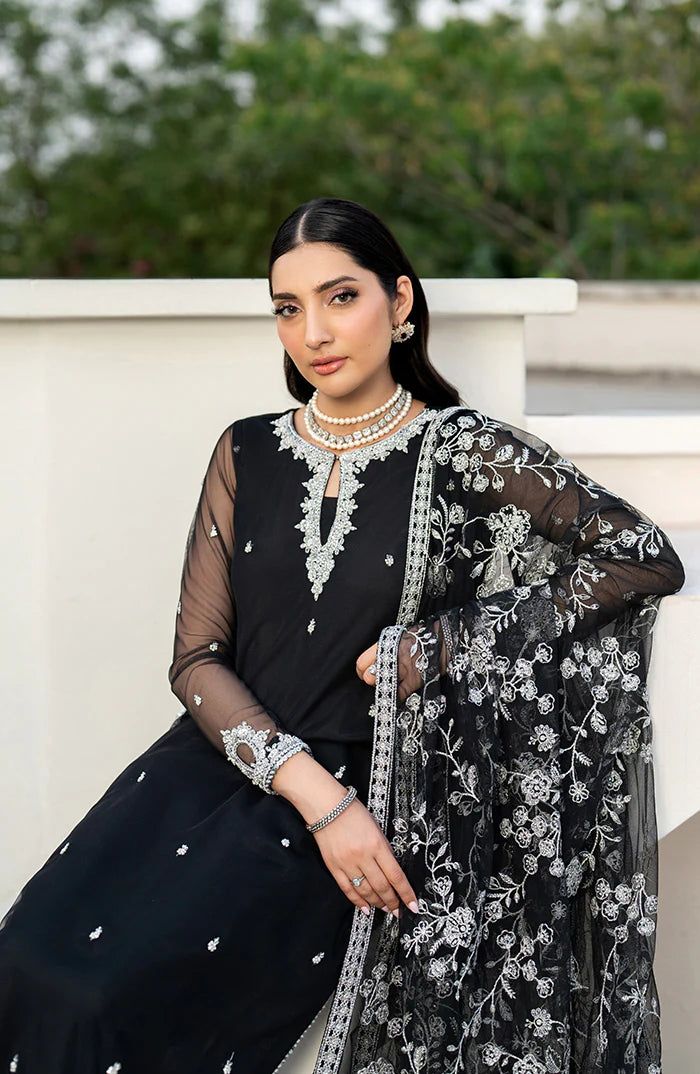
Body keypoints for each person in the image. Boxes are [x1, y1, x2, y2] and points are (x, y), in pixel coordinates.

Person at [0, 197, 685, 1074]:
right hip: (218, 767)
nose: (314, 332)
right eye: (289, 309)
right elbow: (197, 657)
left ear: (399, 303)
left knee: (108, 1000)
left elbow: (640, 556)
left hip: (375, 787)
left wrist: (446, 645)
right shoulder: (244, 450)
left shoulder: (463, 452)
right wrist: (315, 798)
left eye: (341, 297)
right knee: (27, 957)